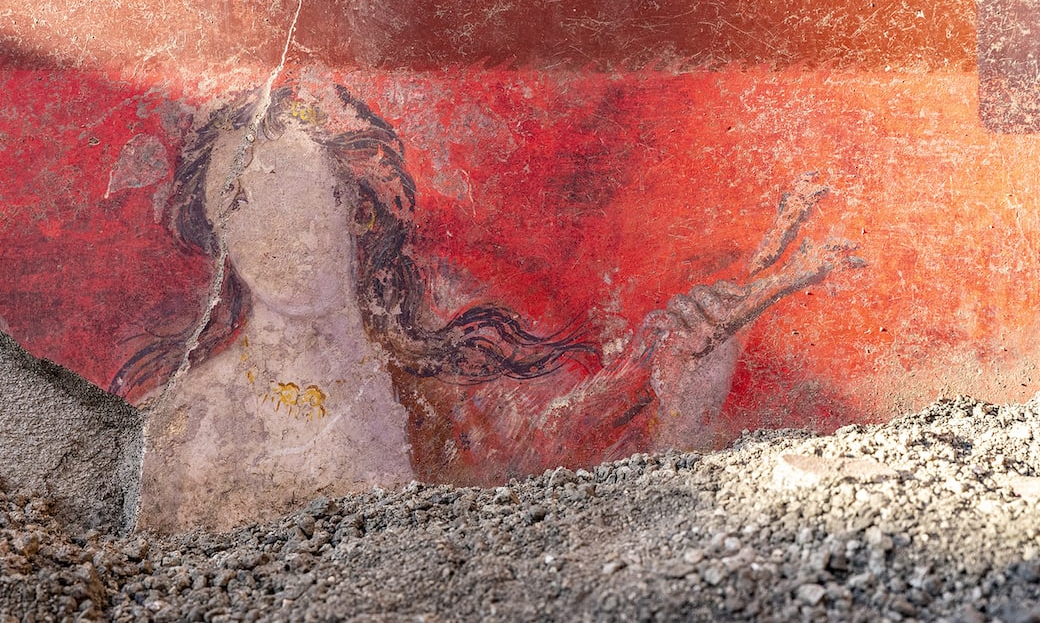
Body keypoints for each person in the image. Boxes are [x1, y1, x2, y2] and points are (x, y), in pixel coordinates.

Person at [116, 78, 862, 531]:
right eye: (238, 203)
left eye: (294, 191)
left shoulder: (454, 393)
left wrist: (687, 409)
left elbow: (592, 539)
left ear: (355, 206)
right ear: (215, 230)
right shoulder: (195, 424)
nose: (272, 229)